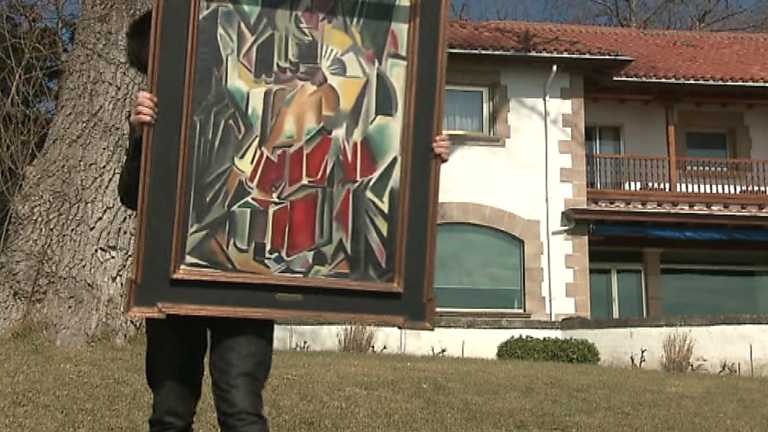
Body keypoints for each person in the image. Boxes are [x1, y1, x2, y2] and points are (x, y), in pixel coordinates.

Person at [119, 10, 451, 432]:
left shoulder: (264, 99)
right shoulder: (161, 116)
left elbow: (365, 136)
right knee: (170, 411)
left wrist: (420, 149)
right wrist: (141, 139)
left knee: (241, 407)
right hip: (173, 277)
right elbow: (132, 197)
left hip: (248, 275)